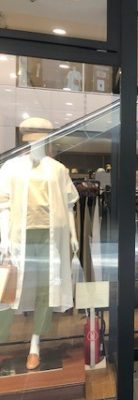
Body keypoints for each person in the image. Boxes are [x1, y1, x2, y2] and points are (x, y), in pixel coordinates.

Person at [0, 142, 79, 370]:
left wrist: (73, 235)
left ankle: (35, 345)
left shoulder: (57, 169)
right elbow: (4, 206)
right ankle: (2, 338)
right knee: (9, 289)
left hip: (50, 238)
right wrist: (4, 238)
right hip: (18, 238)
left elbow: (69, 205)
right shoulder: (11, 167)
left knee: (45, 289)